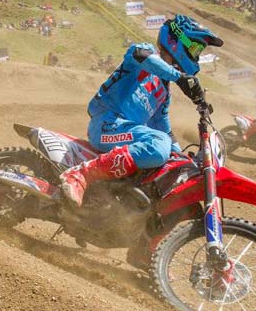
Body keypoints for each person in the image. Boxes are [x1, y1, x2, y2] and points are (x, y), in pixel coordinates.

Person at [59, 14, 223, 209]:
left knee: (166, 154)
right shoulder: (145, 52)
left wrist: (180, 157)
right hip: (106, 125)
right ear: (177, 40)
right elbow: (141, 56)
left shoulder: (164, 91)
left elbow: (163, 127)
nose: (196, 56)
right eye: (195, 48)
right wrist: (179, 77)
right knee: (158, 144)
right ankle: (81, 174)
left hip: (124, 133)